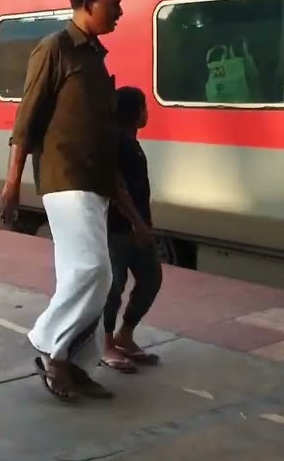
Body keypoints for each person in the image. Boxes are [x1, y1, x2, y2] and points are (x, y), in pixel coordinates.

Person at [0, 0, 152, 403]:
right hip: (66, 178)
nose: (119, 11)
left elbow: (105, 139)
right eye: (113, 3)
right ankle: (50, 344)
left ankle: (74, 366)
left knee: (91, 279)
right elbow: (26, 121)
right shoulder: (55, 49)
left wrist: (124, 201)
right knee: (94, 272)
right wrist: (12, 183)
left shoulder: (96, 60)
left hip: (95, 181)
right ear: (86, 4)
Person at [99, 86, 163, 374]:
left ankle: (125, 335)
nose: (147, 112)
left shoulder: (132, 143)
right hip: (118, 228)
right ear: (136, 112)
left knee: (151, 278)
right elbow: (118, 189)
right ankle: (106, 344)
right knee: (115, 286)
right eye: (145, 107)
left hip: (137, 226)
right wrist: (137, 223)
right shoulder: (118, 144)